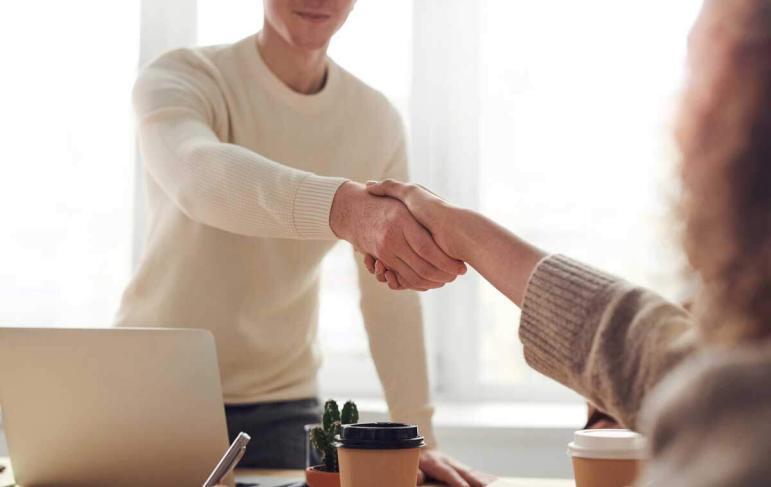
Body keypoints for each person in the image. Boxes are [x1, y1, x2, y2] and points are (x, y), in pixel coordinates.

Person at [364, 0, 771, 484]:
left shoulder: (740, 421)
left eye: (700, 83)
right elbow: (655, 352)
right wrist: (467, 233)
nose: (679, 130)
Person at [116, 1, 489, 484]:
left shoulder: (373, 120)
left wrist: (419, 439)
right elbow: (198, 177)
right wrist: (345, 209)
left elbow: (388, 298)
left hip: (282, 407)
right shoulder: (183, 76)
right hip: (149, 393)